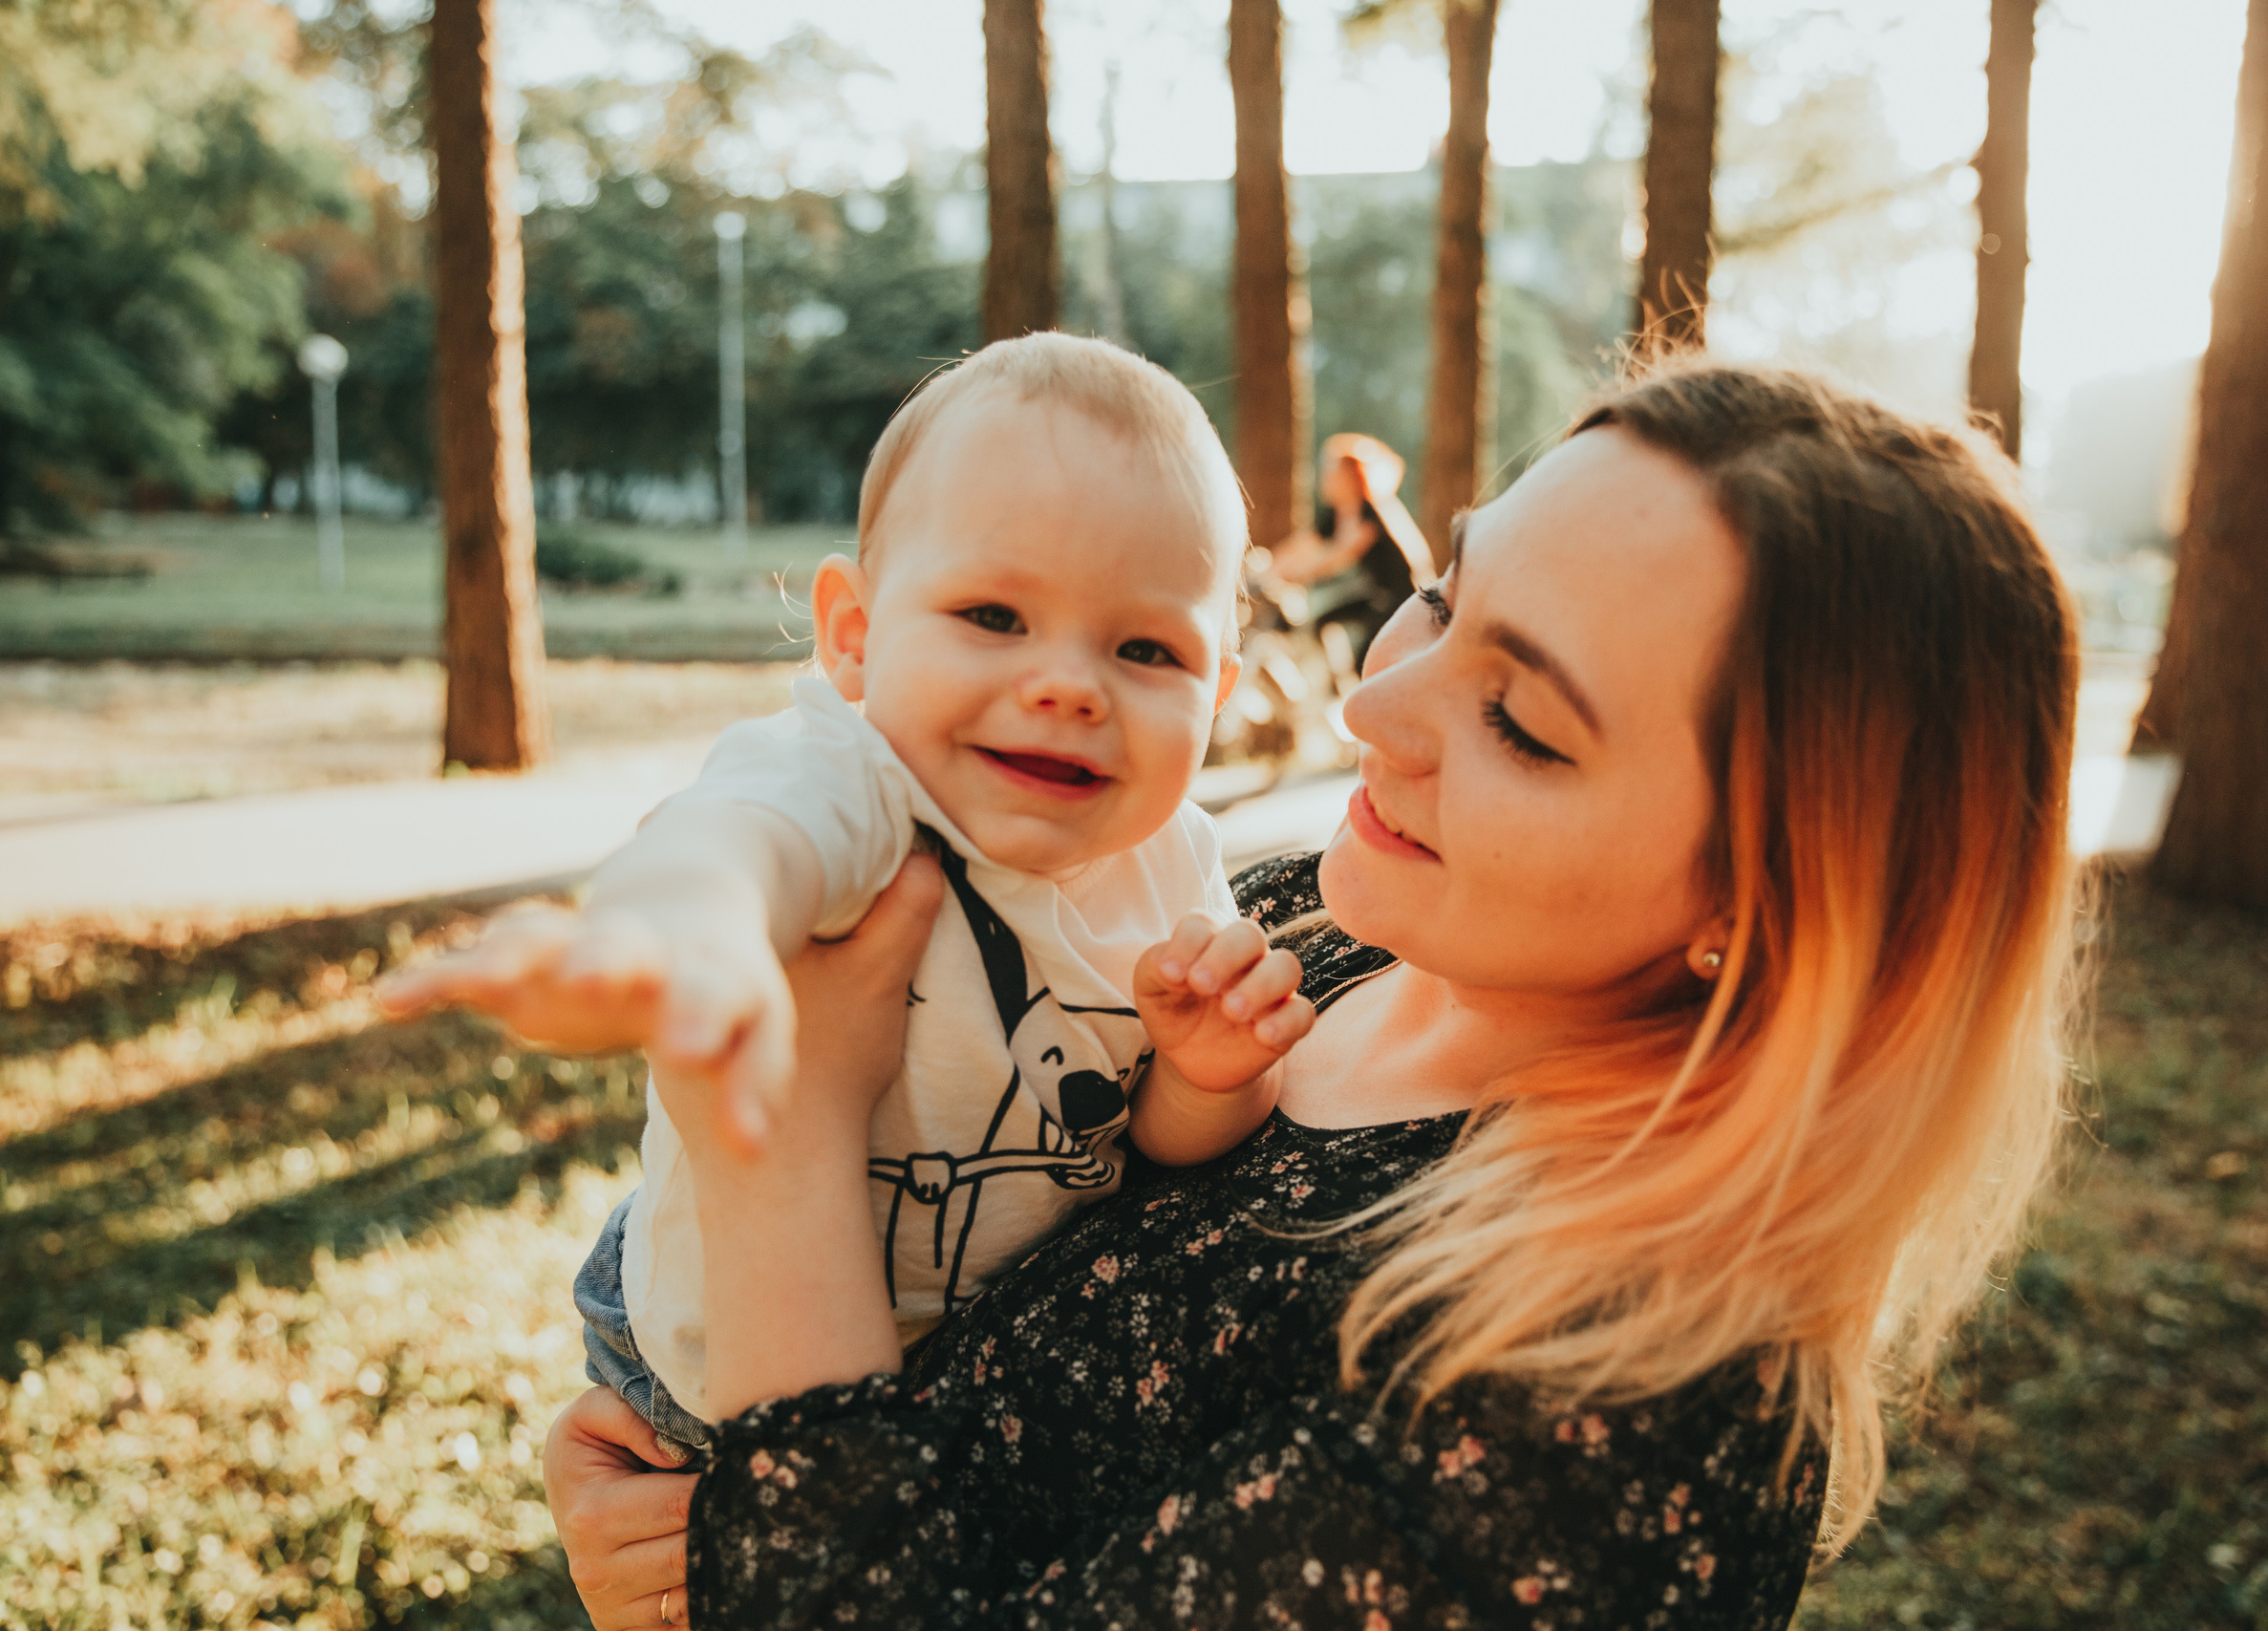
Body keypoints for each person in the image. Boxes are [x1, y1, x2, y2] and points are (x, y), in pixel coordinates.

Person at [546, 358, 2083, 1629]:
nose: (1370, 706)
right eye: (1444, 599)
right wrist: (704, 1497)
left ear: (1764, 905)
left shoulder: (1593, 1422)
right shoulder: (1312, 928)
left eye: (1526, 725)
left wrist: (776, 1163)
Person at [380, 333, 1318, 1456]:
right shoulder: (856, 780)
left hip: (972, 1369)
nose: (1068, 685)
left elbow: (1155, 1139)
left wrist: (1211, 1075)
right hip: (718, 1359)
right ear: (855, 637)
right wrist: (683, 942)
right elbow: (736, 846)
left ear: (1216, 686)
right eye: (994, 618)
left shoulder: (1171, 864)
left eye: (1145, 649)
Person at [1258, 432, 1439, 666]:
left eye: (1332, 471)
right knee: (1323, 622)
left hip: (1407, 599)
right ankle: (1338, 689)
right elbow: (1303, 544)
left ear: (1351, 476)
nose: (1325, 477)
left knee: (1368, 660)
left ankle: (1354, 690)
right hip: (1377, 595)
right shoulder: (1339, 513)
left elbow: (1340, 556)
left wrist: (1290, 575)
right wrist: (1268, 564)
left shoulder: (1371, 514)